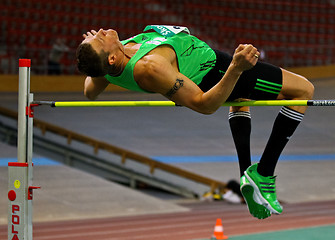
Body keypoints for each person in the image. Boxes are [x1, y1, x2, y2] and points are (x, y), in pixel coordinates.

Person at [76, 25, 314, 219]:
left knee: (241, 98)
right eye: (99, 39)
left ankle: (246, 175)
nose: (100, 31)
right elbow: (203, 105)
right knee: (303, 90)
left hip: (212, 66)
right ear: (112, 58)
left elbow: (90, 91)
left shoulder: (111, 62)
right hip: (216, 72)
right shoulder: (149, 68)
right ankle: (264, 173)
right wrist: (235, 69)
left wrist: (92, 52)